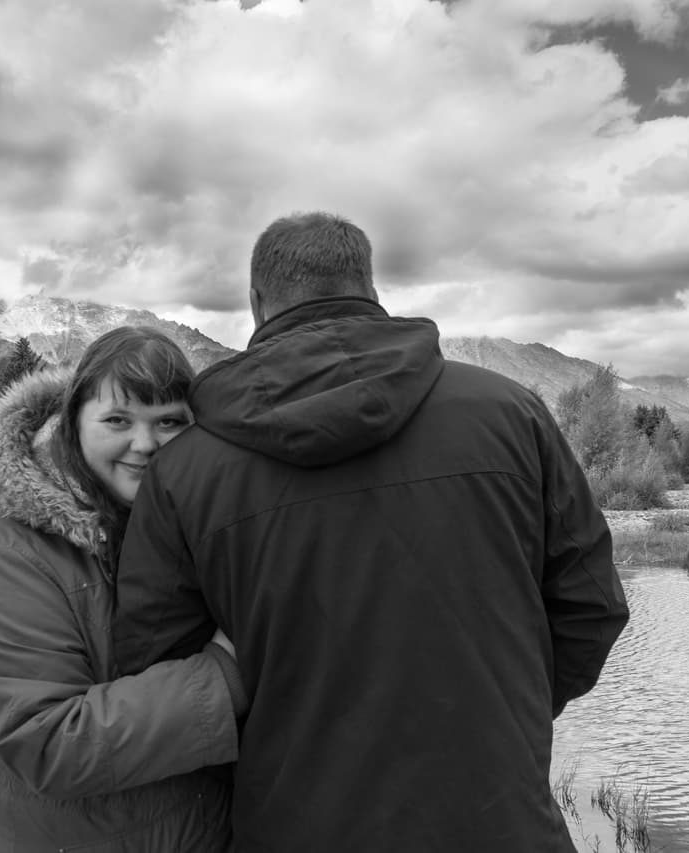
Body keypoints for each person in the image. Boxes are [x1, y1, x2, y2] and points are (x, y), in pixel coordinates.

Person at [113, 212, 630, 852]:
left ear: (255, 303)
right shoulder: (512, 414)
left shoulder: (184, 470)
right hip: (502, 823)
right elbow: (592, 608)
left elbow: (154, 670)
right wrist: (502, 716)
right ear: (370, 287)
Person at [0, 326, 247, 852]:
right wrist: (224, 676)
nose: (145, 443)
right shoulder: (13, 557)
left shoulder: (201, 536)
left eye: (170, 422)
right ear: (73, 425)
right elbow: (47, 739)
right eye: (117, 420)